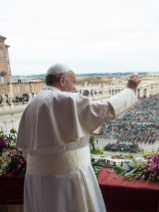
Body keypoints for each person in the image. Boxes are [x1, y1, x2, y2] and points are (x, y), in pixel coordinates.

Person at [16, 64, 141, 212]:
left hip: (36, 182)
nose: (75, 88)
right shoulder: (65, 100)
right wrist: (130, 90)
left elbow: (26, 150)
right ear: (62, 80)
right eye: (74, 82)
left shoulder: (30, 105)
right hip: (67, 180)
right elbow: (104, 109)